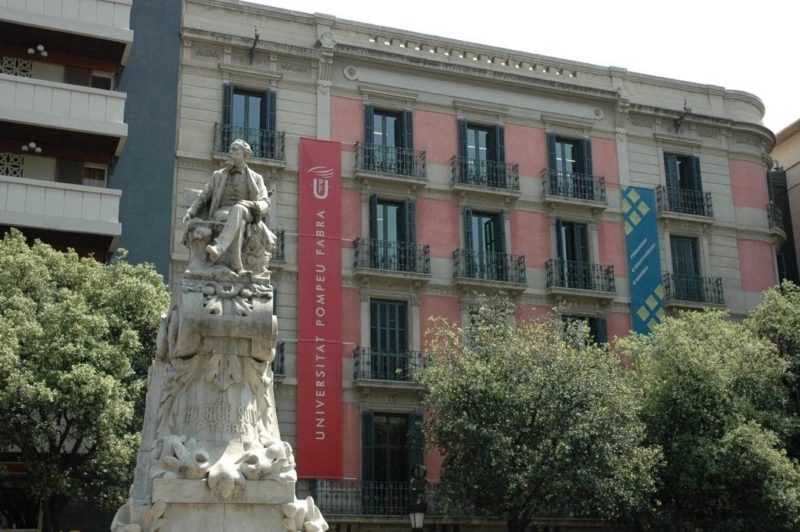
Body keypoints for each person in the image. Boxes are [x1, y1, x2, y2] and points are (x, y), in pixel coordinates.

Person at [183, 139, 274, 272]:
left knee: (238, 209)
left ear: (245, 155)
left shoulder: (256, 178)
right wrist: (190, 212)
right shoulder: (218, 175)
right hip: (222, 213)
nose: (230, 152)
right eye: (230, 149)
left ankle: (218, 248)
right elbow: (203, 197)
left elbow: (265, 203)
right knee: (238, 221)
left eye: (235, 150)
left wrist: (251, 205)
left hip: (247, 212)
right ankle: (237, 266)